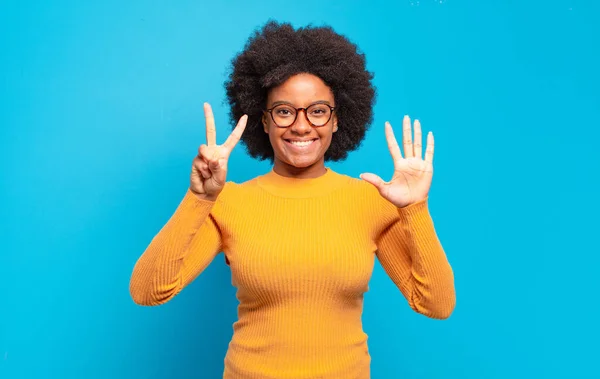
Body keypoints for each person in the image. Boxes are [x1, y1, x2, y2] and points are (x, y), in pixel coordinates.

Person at [129, 20, 455, 379]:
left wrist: (414, 210)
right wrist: (198, 199)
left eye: (317, 111)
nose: (301, 126)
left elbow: (436, 304)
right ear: (263, 121)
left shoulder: (371, 202)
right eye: (284, 111)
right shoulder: (227, 203)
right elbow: (148, 291)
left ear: (336, 120)